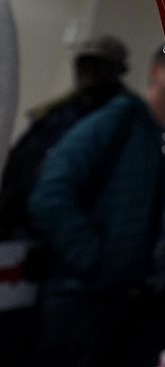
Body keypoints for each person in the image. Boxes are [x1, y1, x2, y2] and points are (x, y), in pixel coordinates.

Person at [26, 41, 165, 367]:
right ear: (157, 71)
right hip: (90, 298)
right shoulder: (118, 120)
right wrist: (95, 259)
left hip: (158, 302)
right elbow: (50, 195)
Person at [0, 35, 129, 238]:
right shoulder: (58, 110)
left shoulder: (123, 121)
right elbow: (21, 161)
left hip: (70, 232)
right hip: (23, 223)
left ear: (118, 71)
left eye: (99, 65)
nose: (89, 71)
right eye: (84, 63)